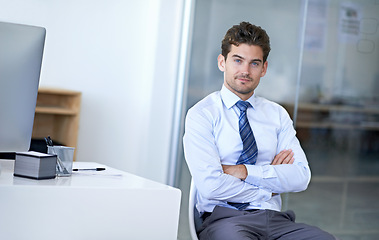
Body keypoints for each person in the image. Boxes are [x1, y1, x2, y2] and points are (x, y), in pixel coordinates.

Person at [183, 22, 336, 240]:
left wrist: (244, 171)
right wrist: (269, 185)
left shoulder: (277, 115)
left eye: (254, 63)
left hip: (274, 219)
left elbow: (301, 176)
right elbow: (211, 187)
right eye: (237, 60)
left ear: (264, 69)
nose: (245, 71)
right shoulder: (202, 115)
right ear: (222, 62)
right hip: (225, 220)